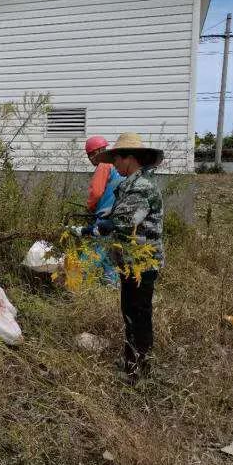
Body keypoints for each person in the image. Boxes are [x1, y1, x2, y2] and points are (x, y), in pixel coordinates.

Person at [79, 132, 164, 383]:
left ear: (130, 158)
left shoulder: (141, 187)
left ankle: (138, 370)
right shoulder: (131, 183)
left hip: (142, 262)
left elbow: (124, 223)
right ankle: (132, 361)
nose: (113, 164)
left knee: (138, 313)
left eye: (117, 159)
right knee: (130, 311)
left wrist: (96, 227)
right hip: (130, 260)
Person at [84, 136, 123, 287]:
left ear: (99, 152)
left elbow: (96, 192)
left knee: (95, 249)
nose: (90, 159)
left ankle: (76, 281)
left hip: (105, 216)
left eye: (91, 155)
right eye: (89, 156)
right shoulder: (118, 167)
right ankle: (112, 284)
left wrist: (90, 206)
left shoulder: (104, 165)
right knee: (109, 253)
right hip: (119, 218)